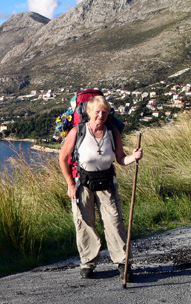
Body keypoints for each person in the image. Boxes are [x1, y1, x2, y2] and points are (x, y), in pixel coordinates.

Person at [58, 95, 143, 280]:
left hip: (107, 184)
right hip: (83, 184)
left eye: (104, 112)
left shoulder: (112, 132)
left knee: (114, 222)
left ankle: (123, 264)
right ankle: (88, 264)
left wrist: (133, 157)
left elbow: (121, 159)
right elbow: (62, 158)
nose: (100, 115)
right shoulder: (78, 131)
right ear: (89, 112)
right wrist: (70, 184)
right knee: (84, 224)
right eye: (97, 112)